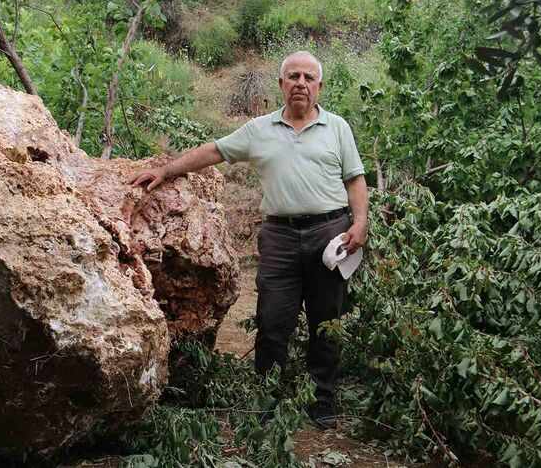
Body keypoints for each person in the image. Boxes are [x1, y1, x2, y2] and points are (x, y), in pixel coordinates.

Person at [126, 51, 369, 428]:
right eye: (293, 76)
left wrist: (360, 222)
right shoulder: (259, 129)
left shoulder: (338, 128)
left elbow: (355, 179)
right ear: (281, 85)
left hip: (330, 233)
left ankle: (322, 400)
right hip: (280, 237)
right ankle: (267, 398)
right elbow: (214, 151)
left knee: (326, 321)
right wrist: (166, 169)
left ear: (319, 85)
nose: (300, 83)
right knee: (272, 321)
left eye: (308, 77)